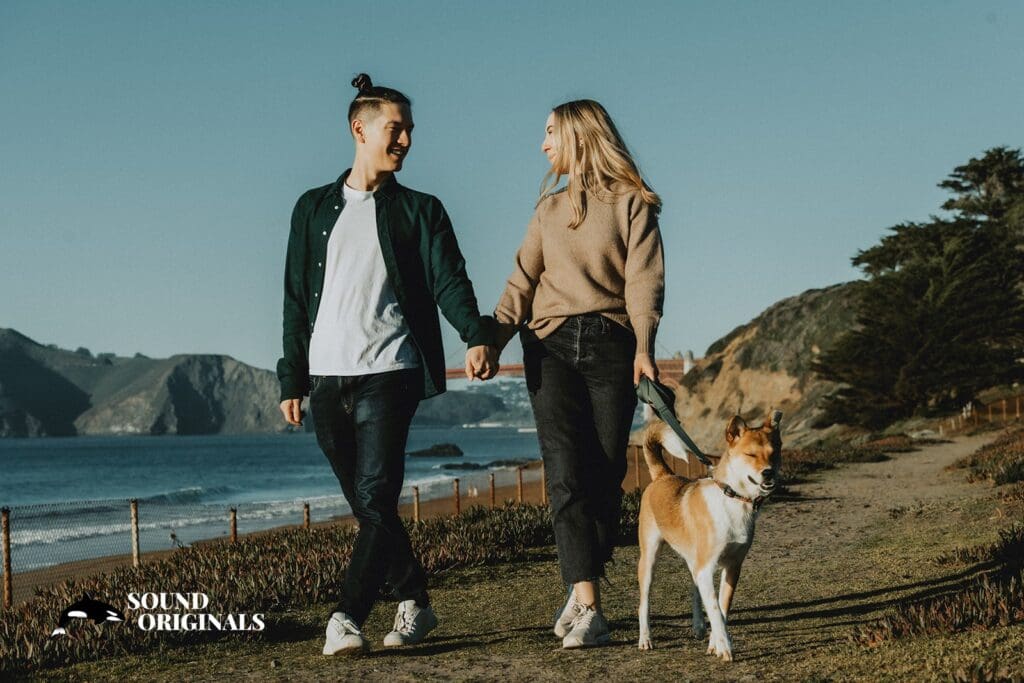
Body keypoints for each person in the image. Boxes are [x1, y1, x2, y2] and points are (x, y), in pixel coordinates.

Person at [277, 73, 499, 655]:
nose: (404, 140)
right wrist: (291, 377)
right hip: (326, 376)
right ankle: (416, 602)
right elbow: (295, 297)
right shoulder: (312, 209)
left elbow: (449, 279)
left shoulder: (420, 211)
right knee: (367, 503)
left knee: (375, 496)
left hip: (389, 369)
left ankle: (345, 617)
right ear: (360, 128)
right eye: (394, 129)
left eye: (409, 131)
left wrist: (474, 335)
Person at [493, 99, 665, 648]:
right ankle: (588, 599)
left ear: (579, 136)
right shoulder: (548, 210)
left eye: (550, 133)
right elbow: (521, 282)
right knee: (565, 472)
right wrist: (491, 339)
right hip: (549, 348)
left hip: (614, 344)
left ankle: (580, 581)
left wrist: (645, 346)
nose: (543, 145)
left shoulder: (633, 203)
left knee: (607, 473)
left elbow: (644, 282)